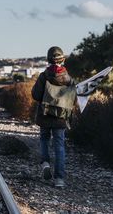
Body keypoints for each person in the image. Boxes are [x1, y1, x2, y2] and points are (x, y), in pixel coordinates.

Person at [31, 46, 76, 187]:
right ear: (62, 59)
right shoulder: (68, 79)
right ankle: (59, 179)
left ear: (48, 59)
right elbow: (73, 99)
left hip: (45, 114)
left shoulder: (44, 76)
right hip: (60, 117)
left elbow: (35, 95)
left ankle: (45, 163)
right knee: (59, 146)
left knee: (44, 139)